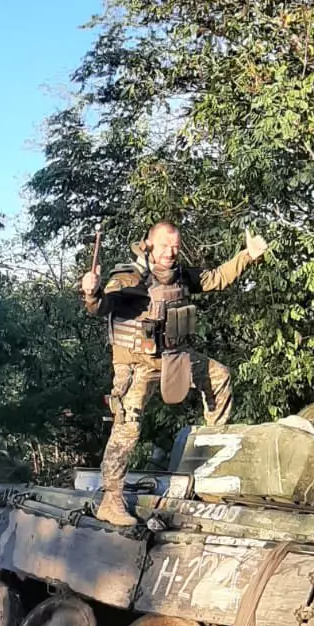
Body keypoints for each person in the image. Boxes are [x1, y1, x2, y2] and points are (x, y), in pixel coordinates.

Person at [80, 220, 269, 526]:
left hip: (173, 358)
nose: (171, 252)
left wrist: (247, 255)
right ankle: (111, 500)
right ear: (148, 245)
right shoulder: (129, 277)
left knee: (219, 376)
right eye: (165, 246)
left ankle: (213, 452)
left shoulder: (180, 275)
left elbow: (215, 278)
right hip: (136, 365)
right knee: (127, 427)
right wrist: (92, 293)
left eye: (175, 246)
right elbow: (102, 305)